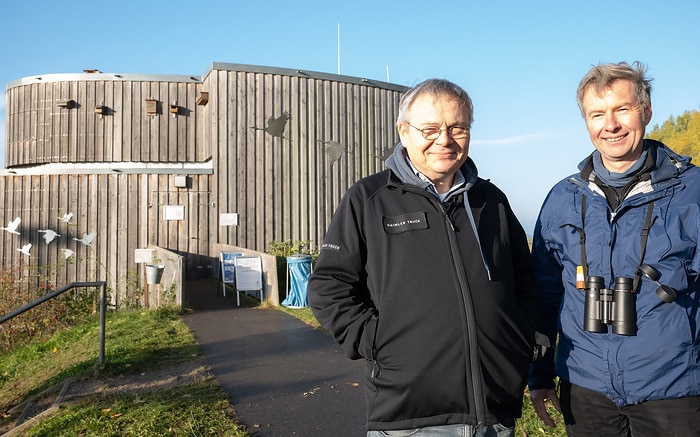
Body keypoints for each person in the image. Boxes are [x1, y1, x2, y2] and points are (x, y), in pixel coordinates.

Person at [307, 78, 541, 436]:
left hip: (494, 414)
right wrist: (377, 341)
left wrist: (522, 345)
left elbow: (524, 279)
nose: (444, 140)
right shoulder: (369, 199)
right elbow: (328, 287)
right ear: (404, 131)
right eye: (430, 129)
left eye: (457, 128)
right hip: (410, 418)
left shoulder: (490, 200)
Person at [528, 61, 700, 436]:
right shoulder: (562, 198)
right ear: (586, 122)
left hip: (675, 391)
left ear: (646, 111)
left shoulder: (693, 192)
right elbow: (542, 296)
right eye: (597, 114)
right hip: (586, 389)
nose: (611, 125)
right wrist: (539, 375)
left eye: (622, 109)